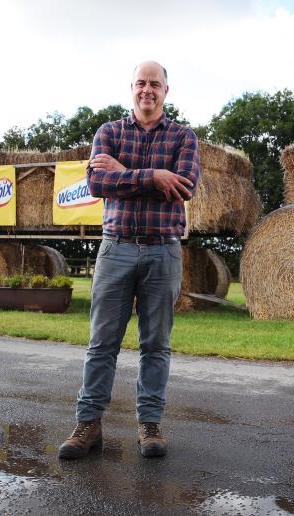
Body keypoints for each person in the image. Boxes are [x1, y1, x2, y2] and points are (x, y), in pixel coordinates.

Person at [58, 60, 200, 459]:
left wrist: (129, 172)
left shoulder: (183, 137)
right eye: (141, 83)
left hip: (163, 248)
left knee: (156, 344)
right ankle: (88, 424)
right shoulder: (109, 132)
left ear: (166, 91)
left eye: (155, 84)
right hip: (115, 246)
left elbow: (183, 187)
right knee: (102, 343)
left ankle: (150, 425)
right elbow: (98, 182)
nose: (147, 90)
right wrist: (155, 177)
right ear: (132, 88)